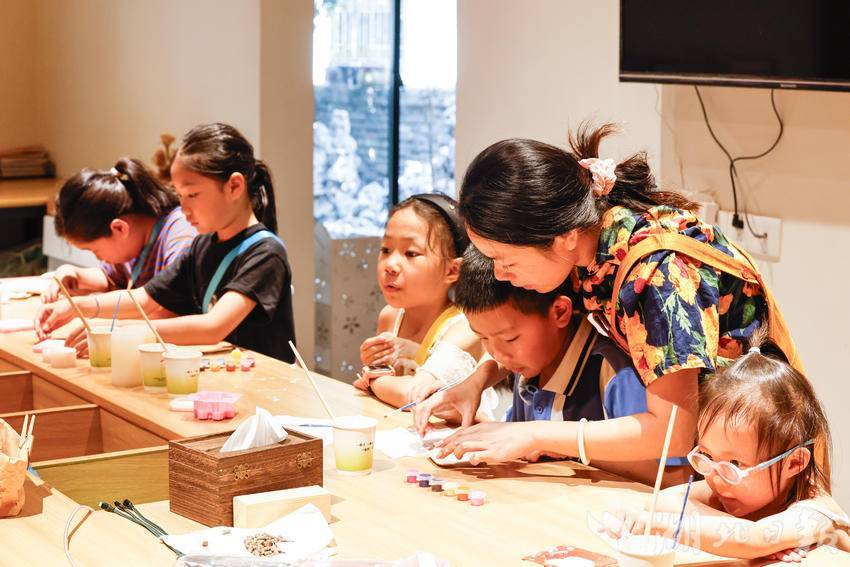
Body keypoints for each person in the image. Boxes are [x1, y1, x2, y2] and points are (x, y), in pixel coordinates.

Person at [417, 123, 805, 472]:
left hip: (748, 456)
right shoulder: (587, 248)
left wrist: (533, 435)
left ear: (563, 237)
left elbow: (672, 432)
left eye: (507, 260)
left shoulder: (656, 275)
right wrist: (478, 380)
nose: (501, 275)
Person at [35, 123, 297, 362]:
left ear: (234, 187)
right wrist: (76, 307)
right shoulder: (202, 245)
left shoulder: (265, 253)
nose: (184, 208)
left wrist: (123, 330)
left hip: (266, 387)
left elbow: (213, 327)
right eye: (180, 196)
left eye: (192, 194)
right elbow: (144, 299)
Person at [443, 246, 689, 486]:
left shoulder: (614, 373)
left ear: (560, 311)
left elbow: (674, 477)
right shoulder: (528, 365)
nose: (498, 354)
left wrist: (557, 442)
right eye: (483, 338)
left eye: (510, 339)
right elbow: (521, 441)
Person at [600, 328, 849, 562]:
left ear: (793, 463)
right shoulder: (726, 488)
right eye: (707, 456)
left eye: (735, 464)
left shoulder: (817, 512)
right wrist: (742, 539)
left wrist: (659, 524)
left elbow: (755, 538)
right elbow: (667, 501)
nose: (715, 479)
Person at [354, 193, 484, 409]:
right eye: (386, 250)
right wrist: (374, 365)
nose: (391, 265)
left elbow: (416, 395)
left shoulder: (466, 326)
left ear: (452, 270)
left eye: (411, 253)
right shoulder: (390, 316)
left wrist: (372, 379)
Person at [43, 157, 196, 302]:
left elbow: (164, 307)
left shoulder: (180, 236)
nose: (99, 259)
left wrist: (91, 306)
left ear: (119, 228)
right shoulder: (134, 241)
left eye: (95, 251)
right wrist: (73, 274)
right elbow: (110, 278)